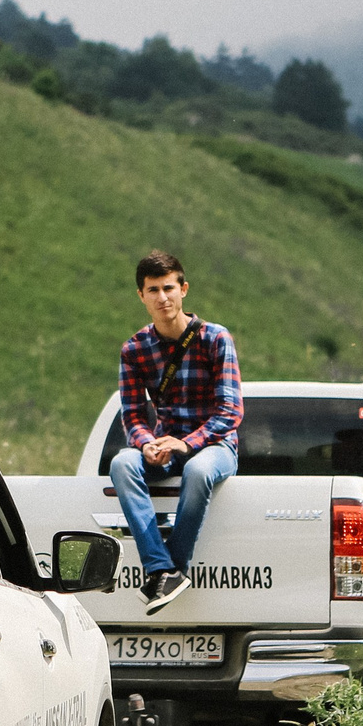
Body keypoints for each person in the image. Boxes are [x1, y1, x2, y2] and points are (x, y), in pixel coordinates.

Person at [110, 250, 240, 614]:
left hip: (215, 446)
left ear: (183, 289)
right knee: (122, 463)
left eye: (168, 288)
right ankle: (159, 567)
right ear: (141, 295)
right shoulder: (134, 349)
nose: (162, 297)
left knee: (198, 470)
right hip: (165, 444)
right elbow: (132, 415)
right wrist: (146, 444)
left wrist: (187, 443)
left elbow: (230, 411)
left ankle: (174, 568)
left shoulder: (215, 338)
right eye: (153, 290)